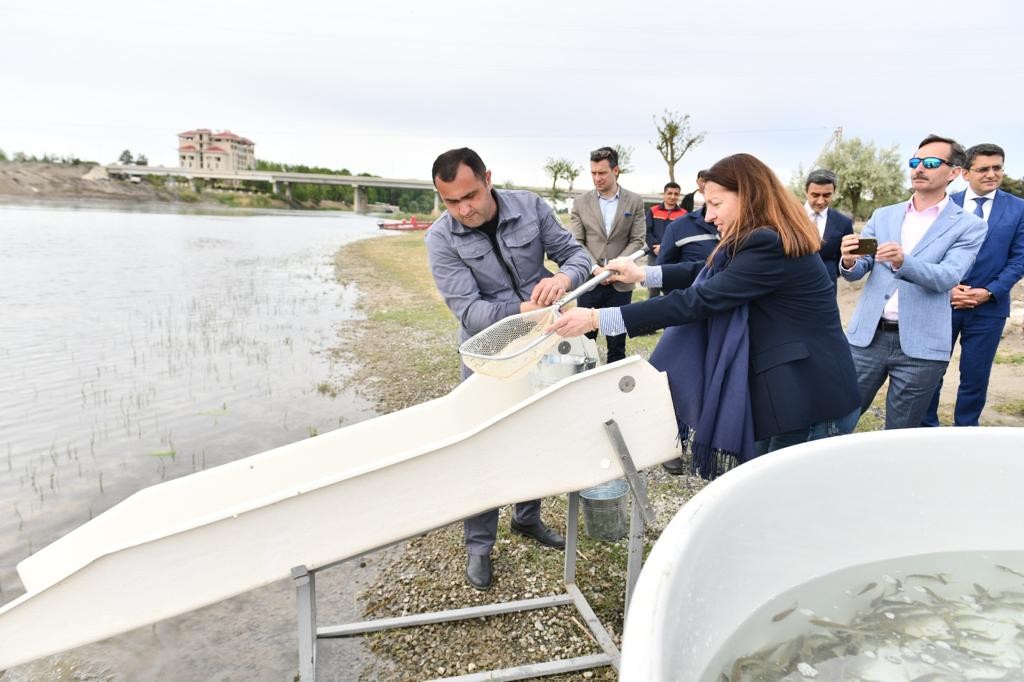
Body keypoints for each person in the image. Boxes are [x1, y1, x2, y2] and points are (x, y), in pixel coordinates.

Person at [548, 153, 861, 478]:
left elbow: (699, 299)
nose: (709, 216)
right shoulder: (763, 236)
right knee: (767, 491)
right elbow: (708, 271)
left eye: (716, 203)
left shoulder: (767, 243)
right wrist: (642, 275)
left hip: (812, 400)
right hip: (798, 394)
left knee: (785, 505)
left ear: (748, 195)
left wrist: (598, 319)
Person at [425, 147, 592, 591]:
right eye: (451, 202)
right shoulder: (440, 239)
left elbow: (578, 257)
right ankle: (479, 546)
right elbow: (470, 312)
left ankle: (527, 517)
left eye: (470, 196)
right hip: (489, 355)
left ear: (488, 179)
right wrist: (525, 310)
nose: (464, 210)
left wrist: (563, 280)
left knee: (535, 433)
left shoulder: (532, 207)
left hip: (544, 346)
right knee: (483, 446)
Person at [840, 134, 987, 430]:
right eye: (915, 161)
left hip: (921, 345)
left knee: (901, 432)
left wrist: (903, 261)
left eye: (931, 162)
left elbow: (948, 277)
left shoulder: (969, 226)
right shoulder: (884, 215)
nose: (920, 168)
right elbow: (860, 269)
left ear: (955, 172)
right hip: (867, 338)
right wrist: (849, 261)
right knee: (837, 420)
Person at [921, 143, 1024, 427]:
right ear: (965, 173)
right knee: (930, 371)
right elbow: (929, 252)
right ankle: (926, 428)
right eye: (983, 169)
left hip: (989, 307)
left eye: (997, 168)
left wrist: (989, 291)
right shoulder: (943, 205)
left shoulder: (1019, 209)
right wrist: (947, 287)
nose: (992, 174)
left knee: (975, 376)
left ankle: (966, 429)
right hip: (942, 301)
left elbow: (1019, 259)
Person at [653, 203, 720, 476]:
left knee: (712, 379)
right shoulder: (679, 226)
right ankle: (673, 443)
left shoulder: (736, 227)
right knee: (678, 377)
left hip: (720, 316)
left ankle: (709, 445)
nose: (714, 212)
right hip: (686, 312)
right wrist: (681, 303)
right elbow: (666, 266)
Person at [569, 146, 647, 363]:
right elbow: (577, 242)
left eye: (602, 173)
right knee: (585, 343)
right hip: (589, 282)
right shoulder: (580, 202)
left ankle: (614, 389)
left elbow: (637, 240)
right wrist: (596, 269)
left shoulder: (634, 201)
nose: (597, 178)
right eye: (593, 173)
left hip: (620, 282)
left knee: (617, 343)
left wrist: (614, 268)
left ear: (616, 171)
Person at [803, 168, 854, 290]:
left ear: (834, 192)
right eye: (815, 195)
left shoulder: (844, 222)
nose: (820, 201)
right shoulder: (788, 216)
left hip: (826, 288)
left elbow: (843, 259)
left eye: (826, 195)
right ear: (806, 192)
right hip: (789, 289)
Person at [645, 182, 687, 297]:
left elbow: (683, 235)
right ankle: (651, 313)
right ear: (664, 194)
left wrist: (666, 249)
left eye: (676, 194)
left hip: (673, 257)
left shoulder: (684, 214)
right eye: (669, 193)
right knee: (653, 288)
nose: (673, 196)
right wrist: (655, 247)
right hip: (654, 255)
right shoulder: (653, 211)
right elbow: (647, 232)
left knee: (671, 288)